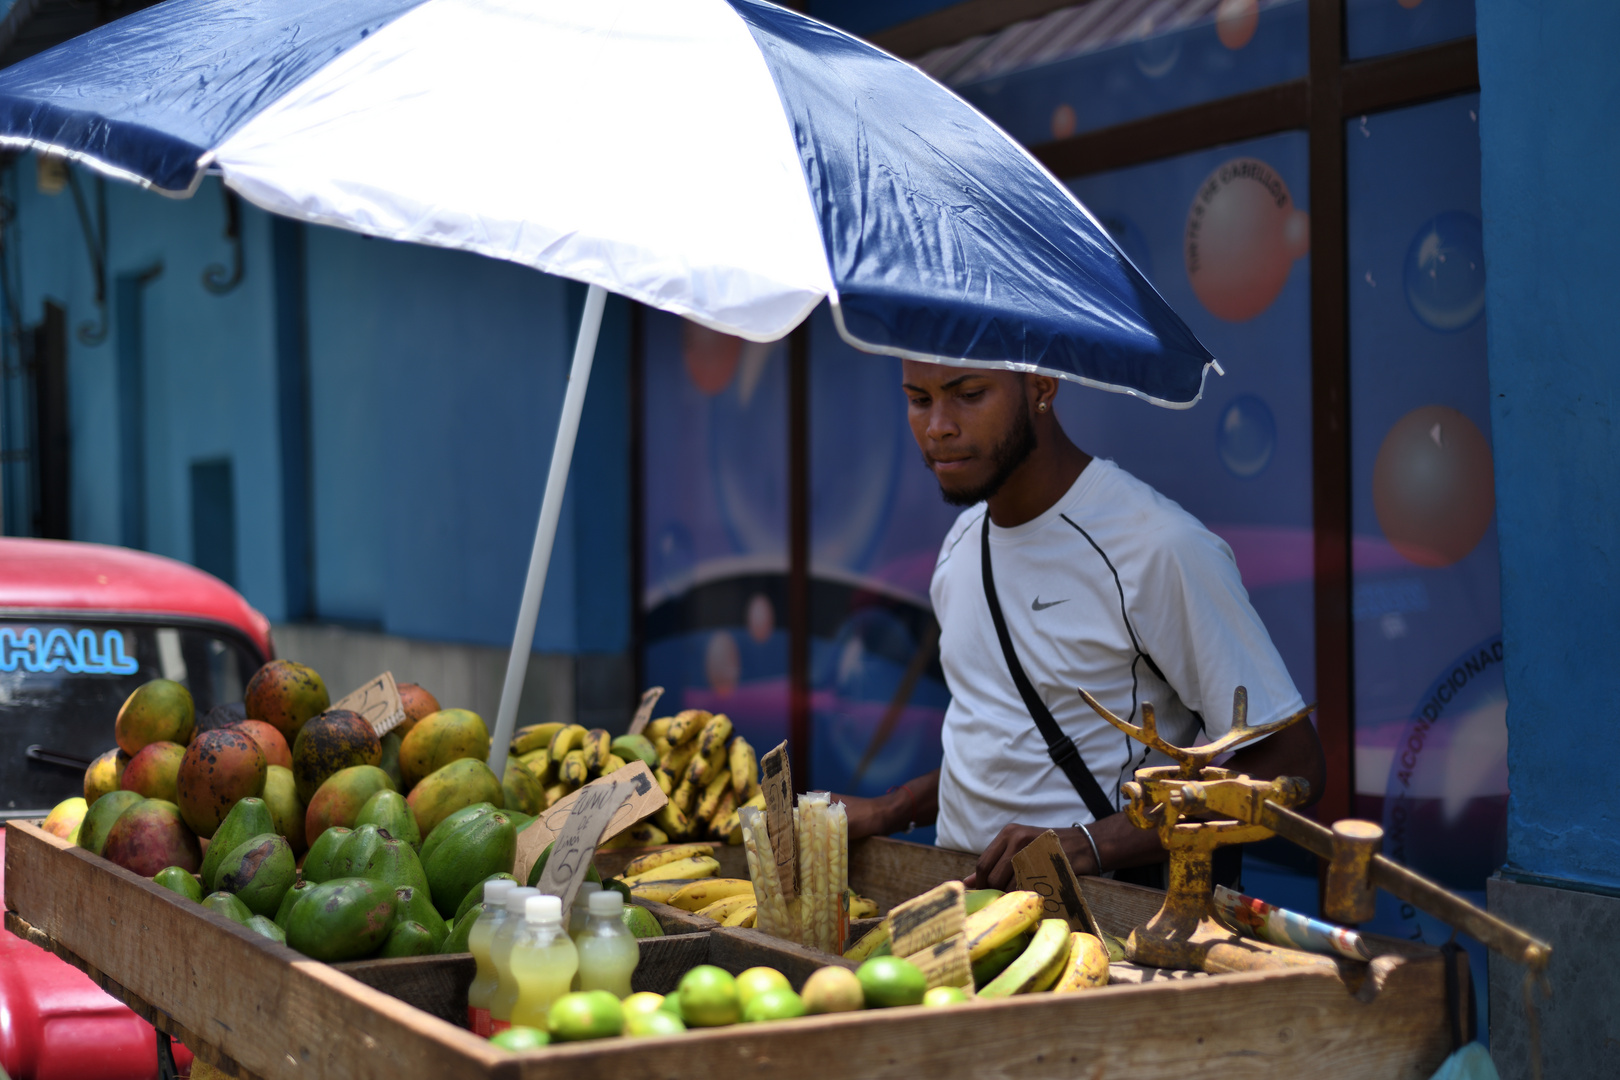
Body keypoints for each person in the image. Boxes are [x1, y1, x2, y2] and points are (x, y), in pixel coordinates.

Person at [835, 361, 1325, 890]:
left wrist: (1094, 843)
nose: (938, 427)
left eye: (969, 394)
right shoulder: (960, 544)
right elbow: (1005, 746)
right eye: (919, 399)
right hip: (960, 914)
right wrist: (893, 808)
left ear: (1042, 387)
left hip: (1107, 936)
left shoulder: (1156, 547)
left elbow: (1291, 768)